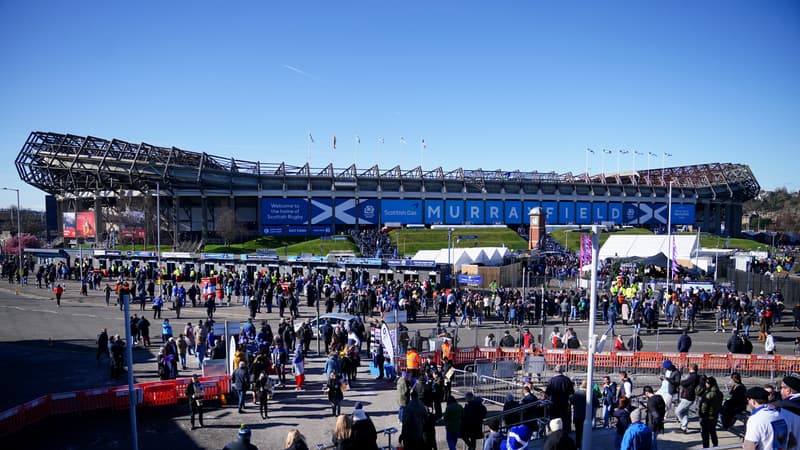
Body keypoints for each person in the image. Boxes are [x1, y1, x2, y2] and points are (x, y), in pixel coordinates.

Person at [546, 365, 575, 434]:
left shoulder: (552, 380)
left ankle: (554, 431)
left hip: (554, 403)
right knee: (564, 419)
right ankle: (565, 432)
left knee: (554, 418)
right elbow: (571, 393)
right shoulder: (567, 380)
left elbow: (547, 393)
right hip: (564, 403)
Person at [675, 363, 700, 434]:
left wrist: (682, 381)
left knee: (678, 411)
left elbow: (684, 383)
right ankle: (684, 427)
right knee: (684, 412)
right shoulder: (695, 376)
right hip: (689, 396)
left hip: (688, 396)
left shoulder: (693, 376)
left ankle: (682, 423)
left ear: (691, 368)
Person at [698, 376, 723, 448]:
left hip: (707, 416)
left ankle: (706, 447)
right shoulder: (719, 393)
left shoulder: (709, 394)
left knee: (705, 434)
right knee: (713, 432)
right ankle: (715, 445)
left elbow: (704, 407)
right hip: (715, 416)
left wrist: (701, 414)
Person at [778, 373, 800, 450]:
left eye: (781, 388)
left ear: (788, 390)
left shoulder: (785, 408)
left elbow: (783, 436)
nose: (780, 391)